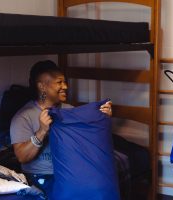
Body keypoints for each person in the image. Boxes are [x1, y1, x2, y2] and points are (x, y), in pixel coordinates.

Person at [10, 60, 112, 193]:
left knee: (98, 188)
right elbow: (22, 157)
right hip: (42, 175)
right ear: (42, 86)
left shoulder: (69, 111)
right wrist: (41, 131)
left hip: (71, 171)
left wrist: (103, 117)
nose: (65, 86)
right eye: (59, 82)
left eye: (64, 82)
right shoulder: (23, 117)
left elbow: (89, 137)